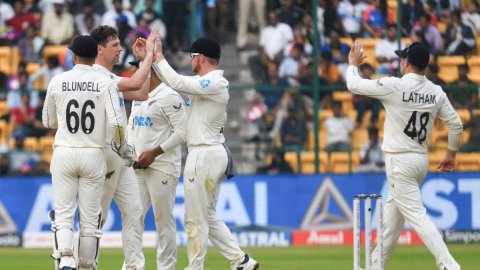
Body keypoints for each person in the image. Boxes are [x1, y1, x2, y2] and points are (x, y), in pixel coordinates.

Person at [346, 41, 462, 270]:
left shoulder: (394, 86)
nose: (401, 61)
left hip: (399, 162)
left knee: (417, 217)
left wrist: (352, 64)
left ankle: (449, 265)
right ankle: (374, 266)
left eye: (402, 58)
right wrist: (450, 154)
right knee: (391, 223)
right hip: (420, 161)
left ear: (406, 62)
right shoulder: (435, 92)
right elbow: (456, 124)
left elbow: (354, 84)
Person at [152, 36, 260, 270]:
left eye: (191, 56)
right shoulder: (204, 83)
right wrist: (150, 60)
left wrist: (159, 55)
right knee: (207, 215)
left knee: (194, 218)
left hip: (205, 155)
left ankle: (195, 267)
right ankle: (241, 260)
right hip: (208, 155)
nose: (189, 60)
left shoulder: (215, 82)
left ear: (200, 58)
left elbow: (178, 82)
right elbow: (179, 83)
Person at [42, 35, 129, 270]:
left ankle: (66, 260)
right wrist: (121, 147)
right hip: (94, 153)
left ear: (73, 56)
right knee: (91, 220)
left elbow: (48, 121)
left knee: (63, 215)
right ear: (95, 56)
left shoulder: (58, 80)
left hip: (65, 152)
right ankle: (87, 265)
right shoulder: (105, 83)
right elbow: (118, 124)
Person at [90, 25, 155, 270]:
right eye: (114, 45)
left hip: (121, 158)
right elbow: (138, 84)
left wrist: (142, 62)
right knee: (98, 217)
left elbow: (142, 93)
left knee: (135, 210)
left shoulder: (110, 77)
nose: (120, 49)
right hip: (104, 156)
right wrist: (147, 56)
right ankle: (83, 263)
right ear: (99, 49)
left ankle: (133, 265)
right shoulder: (96, 76)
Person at [127, 66, 187, 270]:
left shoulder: (170, 96)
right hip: (136, 166)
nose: (133, 76)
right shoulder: (138, 96)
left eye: (137, 70)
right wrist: (129, 153)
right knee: (133, 216)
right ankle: (133, 265)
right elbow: (131, 127)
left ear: (149, 72)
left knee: (163, 221)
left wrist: (154, 153)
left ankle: (166, 267)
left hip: (162, 166)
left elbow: (182, 133)